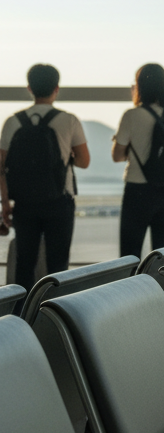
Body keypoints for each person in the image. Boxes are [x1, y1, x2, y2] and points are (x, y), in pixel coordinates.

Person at [0, 63, 90, 290]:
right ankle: (53, 316)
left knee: (24, 264)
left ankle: (20, 318)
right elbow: (84, 161)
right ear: (56, 88)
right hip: (59, 200)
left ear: (29, 88)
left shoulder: (13, 122)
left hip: (24, 202)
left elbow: (1, 167)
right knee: (57, 265)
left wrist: (5, 203)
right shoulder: (68, 120)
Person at [112, 63, 164, 258]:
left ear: (139, 86)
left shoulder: (132, 115)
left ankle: (132, 289)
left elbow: (116, 156)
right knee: (162, 256)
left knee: (130, 256)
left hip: (138, 191)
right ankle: (159, 289)